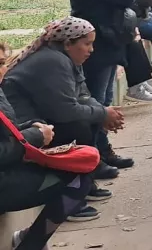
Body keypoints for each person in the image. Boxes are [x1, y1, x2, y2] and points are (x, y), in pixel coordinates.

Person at [1, 18, 126, 209]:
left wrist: (104, 114)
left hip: (38, 122)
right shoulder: (53, 61)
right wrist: (102, 114)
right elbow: (65, 111)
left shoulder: (68, 58)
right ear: (68, 44)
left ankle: (86, 179)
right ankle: (73, 196)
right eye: (87, 44)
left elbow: (83, 95)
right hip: (25, 126)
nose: (91, 50)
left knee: (89, 119)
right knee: (78, 126)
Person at [0, 39, 100, 246]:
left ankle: (30, 239)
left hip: (10, 167)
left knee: (82, 164)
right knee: (77, 179)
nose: (3, 70)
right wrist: (35, 136)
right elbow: (65, 109)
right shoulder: (53, 62)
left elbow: (7, 128)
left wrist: (32, 127)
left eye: (2, 63)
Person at [62, 0, 137, 177]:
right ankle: (92, 159)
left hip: (105, 38)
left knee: (103, 98)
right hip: (99, 41)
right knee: (96, 100)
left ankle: (102, 151)